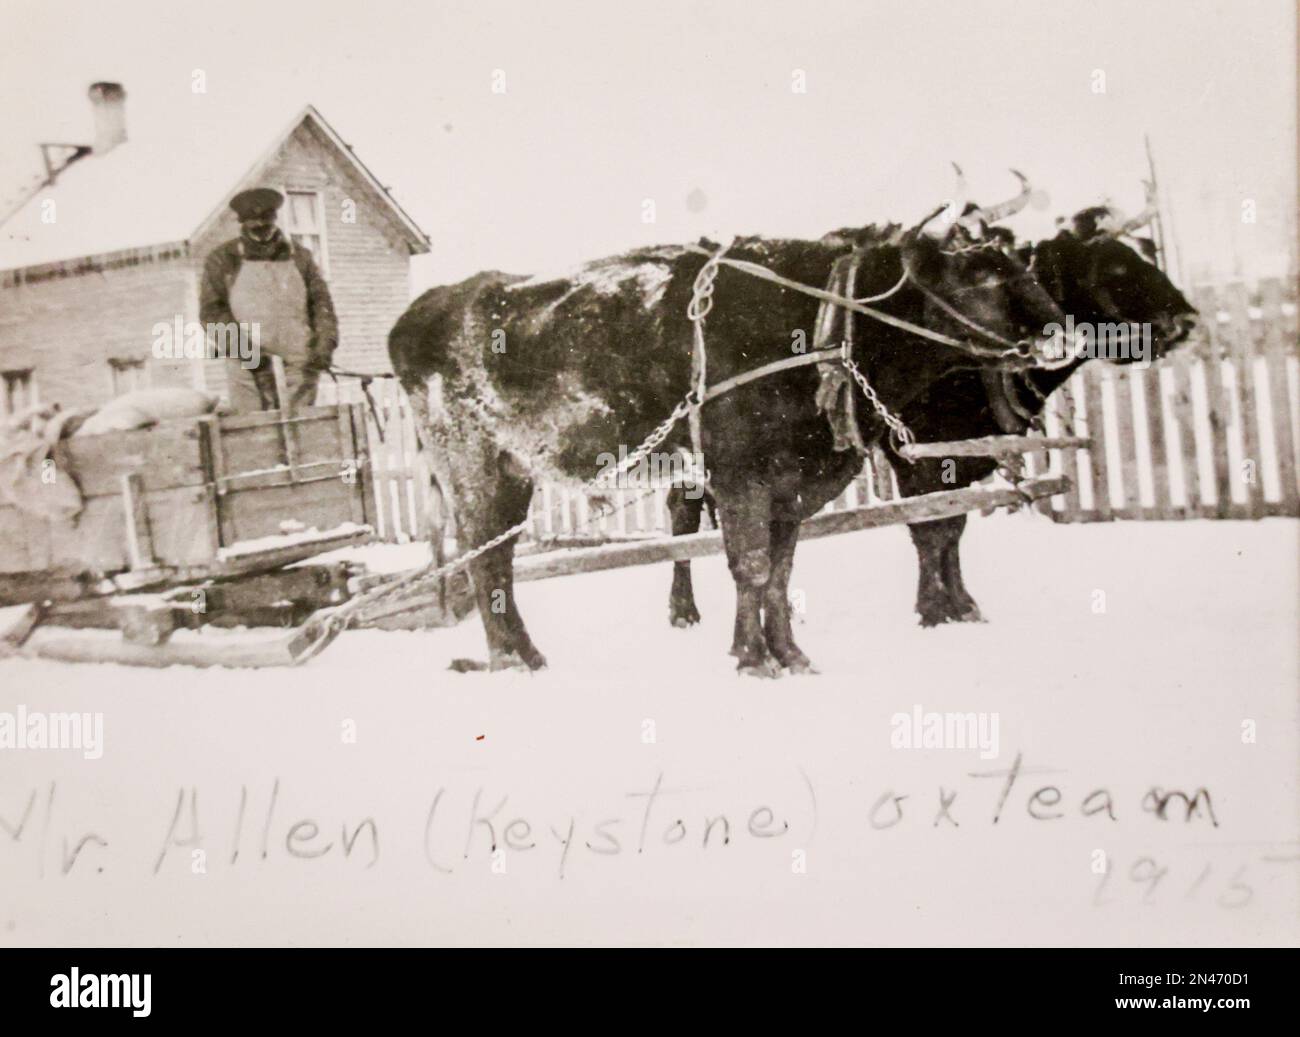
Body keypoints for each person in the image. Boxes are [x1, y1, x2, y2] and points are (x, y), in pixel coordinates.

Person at [199, 187, 338, 411]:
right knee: (256, 434)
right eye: (254, 225)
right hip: (249, 367)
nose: (262, 231)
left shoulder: (301, 257)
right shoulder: (224, 259)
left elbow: (322, 305)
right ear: (243, 223)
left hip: (299, 365)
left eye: (267, 222)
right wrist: (249, 355)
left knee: (305, 429)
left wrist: (324, 347)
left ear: (275, 219)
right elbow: (212, 313)